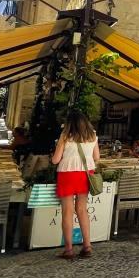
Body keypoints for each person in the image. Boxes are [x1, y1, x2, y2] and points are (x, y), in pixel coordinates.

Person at [51, 110, 99, 260]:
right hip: (86, 174)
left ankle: (69, 250)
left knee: (67, 211)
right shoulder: (93, 136)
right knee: (82, 210)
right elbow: (96, 157)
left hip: (67, 174)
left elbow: (55, 160)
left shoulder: (65, 136)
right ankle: (87, 246)